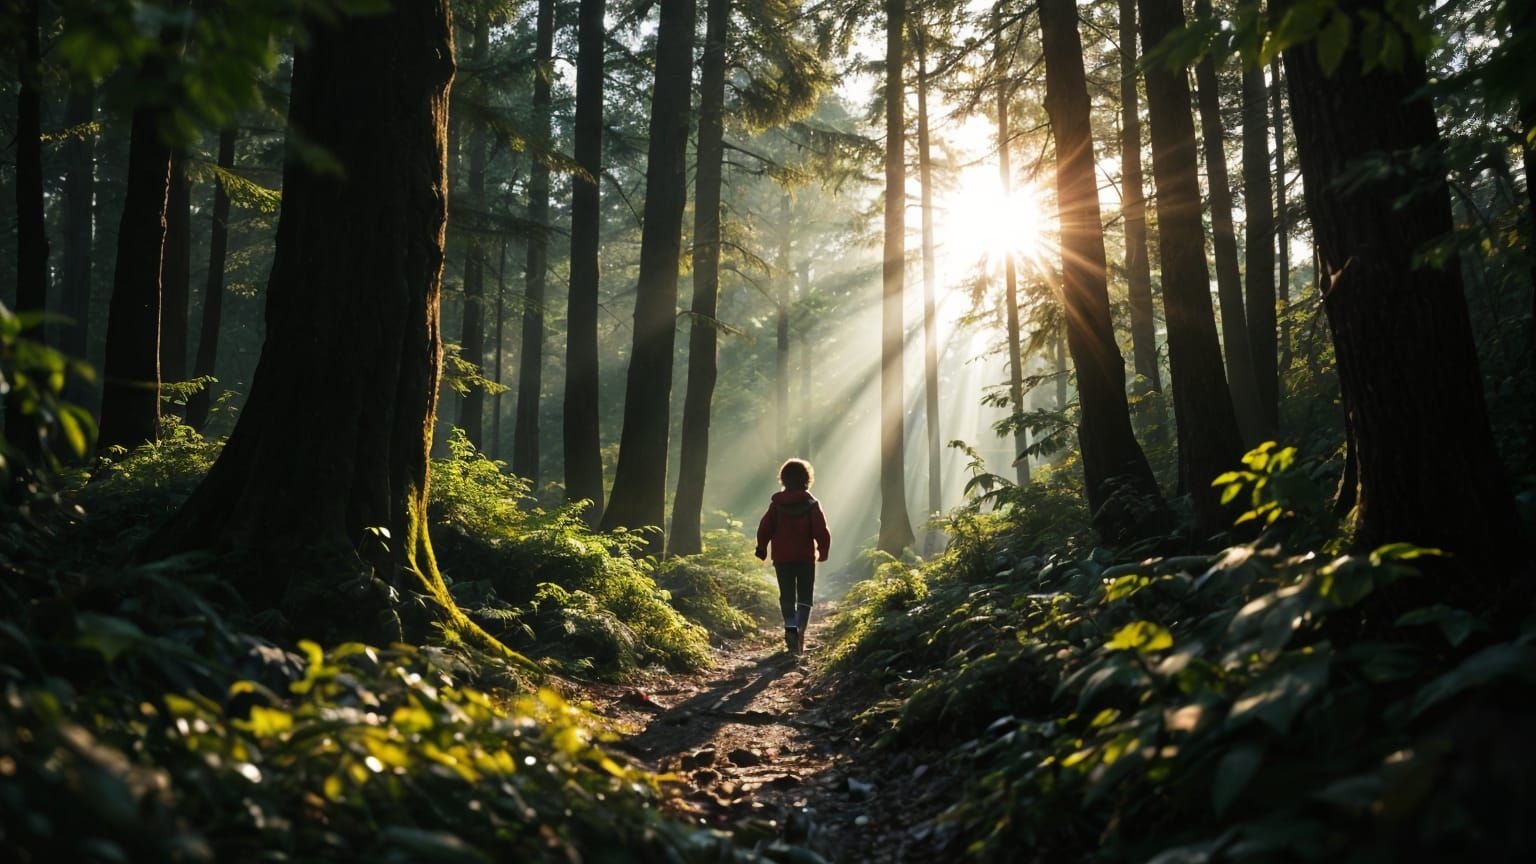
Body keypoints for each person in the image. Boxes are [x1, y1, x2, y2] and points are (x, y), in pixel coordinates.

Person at [754, 458, 831, 655]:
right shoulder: (812, 504)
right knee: (805, 596)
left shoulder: (776, 505)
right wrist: (823, 551)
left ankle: (790, 627)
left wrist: (761, 548)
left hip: (782, 558)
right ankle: (800, 631)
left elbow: (764, 528)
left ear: (784, 479)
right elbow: (821, 531)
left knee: (787, 595)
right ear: (806, 478)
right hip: (805, 558)